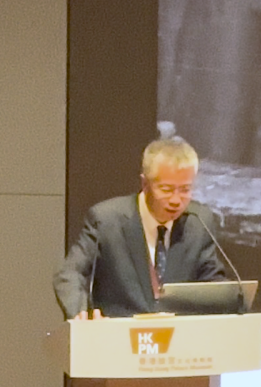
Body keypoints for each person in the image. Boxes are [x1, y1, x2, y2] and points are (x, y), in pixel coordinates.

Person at [53, 129, 229, 320]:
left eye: (185, 190)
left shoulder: (198, 221)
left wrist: (231, 298)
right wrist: (81, 314)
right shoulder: (107, 219)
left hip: (178, 334)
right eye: (166, 189)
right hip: (119, 333)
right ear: (145, 184)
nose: (176, 200)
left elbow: (212, 282)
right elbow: (69, 274)